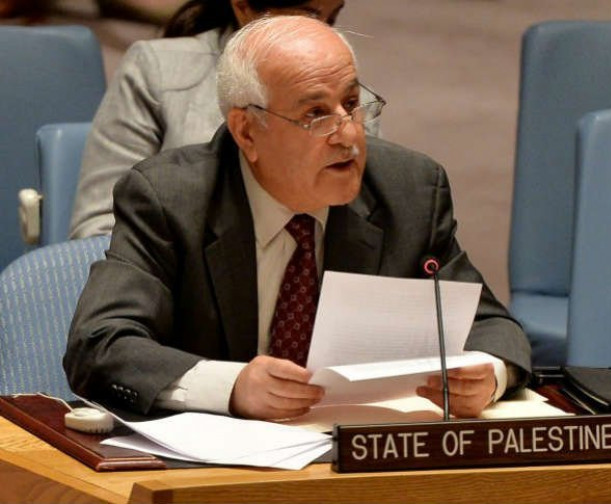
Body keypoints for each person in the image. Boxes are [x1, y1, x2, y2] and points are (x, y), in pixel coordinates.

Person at [64, 15, 531, 421]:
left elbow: (493, 327)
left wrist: (487, 374)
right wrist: (232, 386)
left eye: (352, 104)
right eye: (316, 114)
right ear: (247, 131)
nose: (348, 135)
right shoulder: (171, 199)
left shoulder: (409, 191)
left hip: (356, 454)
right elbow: (100, 345)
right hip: (216, 464)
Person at [69, 0, 348, 239]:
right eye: (306, 17)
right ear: (243, 8)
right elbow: (101, 227)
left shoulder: (348, 102)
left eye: (332, 19)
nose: (323, 36)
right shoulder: (155, 71)